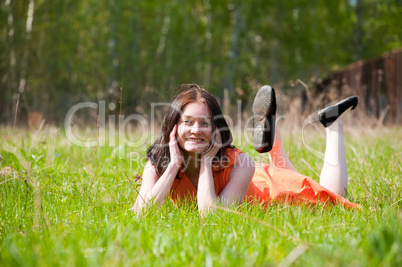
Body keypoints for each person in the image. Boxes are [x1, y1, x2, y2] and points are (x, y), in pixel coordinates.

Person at [133, 84, 360, 215]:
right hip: (258, 178)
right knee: (295, 177)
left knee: (334, 197)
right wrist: (173, 165)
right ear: (173, 126)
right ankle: (274, 137)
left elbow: (211, 215)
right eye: (188, 122)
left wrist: (206, 161)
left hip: (273, 196)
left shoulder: (241, 163)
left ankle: (333, 125)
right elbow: (140, 213)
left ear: (216, 129)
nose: (196, 130)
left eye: (204, 123)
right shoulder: (159, 163)